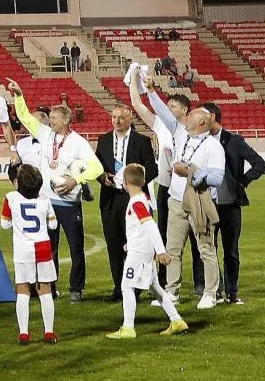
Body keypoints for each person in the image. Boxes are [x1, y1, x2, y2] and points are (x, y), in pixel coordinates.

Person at [128, 64, 224, 310]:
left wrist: (191, 172)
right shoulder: (182, 132)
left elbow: (217, 178)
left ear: (202, 122)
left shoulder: (214, 146)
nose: (186, 117)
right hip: (175, 198)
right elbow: (165, 114)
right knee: (173, 247)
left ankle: (211, 293)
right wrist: (150, 92)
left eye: (192, 115)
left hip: (199, 199)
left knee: (206, 248)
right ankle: (172, 291)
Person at [9, 81, 100, 301]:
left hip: (69, 203)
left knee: (76, 248)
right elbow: (25, 118)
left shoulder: (78, 142)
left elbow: (96, 167)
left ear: (66, 120)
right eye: (50, 118)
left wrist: (75, 181)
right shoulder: (46, 134)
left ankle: (76, 289)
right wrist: (19, 96)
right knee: (49, 248)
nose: (50, 120)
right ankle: (51, 287)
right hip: (47, 201)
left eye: (54, 118)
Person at [106, 163, 188, 339]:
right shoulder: (143, 198)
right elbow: (140, 226)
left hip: (139, 254)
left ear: (126, 182)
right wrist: (132, 242)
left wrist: (161, 251)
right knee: (156, 288)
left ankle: (128, 328)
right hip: (141, 249)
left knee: (126, 286)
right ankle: (176, 321)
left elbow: (150, 225)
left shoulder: (136, 202)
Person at [204, 106, 265, 305]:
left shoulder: (234, 141)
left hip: (230, 203)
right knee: (208, 250)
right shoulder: (199, 142)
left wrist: (242, 181)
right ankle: (214, 291)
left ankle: (231, 292)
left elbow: (260, 163)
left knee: (230, 250)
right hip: (207, 203)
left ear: (212, 117)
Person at [94, 105, 159, 300]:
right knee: (113, 244)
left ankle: (136, 287)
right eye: (114, 117)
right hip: (110, 198)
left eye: (121, 118)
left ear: (130, 119)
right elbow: (96, 166)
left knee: (135, 245)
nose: (117, 121)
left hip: (133, 198)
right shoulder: (103, 140)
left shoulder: (142, 141)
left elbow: (152, 169)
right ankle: (119, 287)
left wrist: (136, 183)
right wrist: (102, 177)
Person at [0, 164, 58, 343]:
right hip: (42, 249)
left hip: (23, 251)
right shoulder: (45, 200)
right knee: (45, 290)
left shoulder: (10, 198)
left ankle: (24, 332)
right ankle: (49, 332)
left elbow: (4, 224)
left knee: (23, 290)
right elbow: (53, 224)